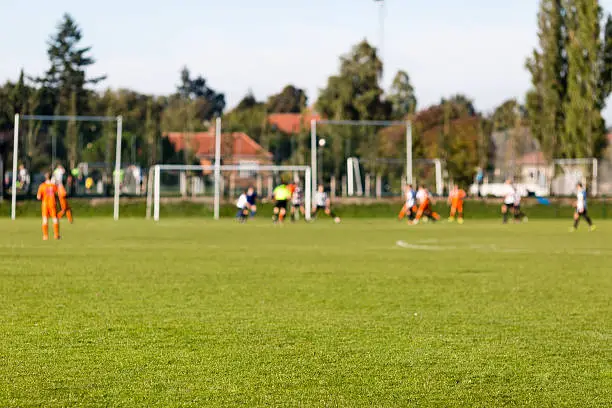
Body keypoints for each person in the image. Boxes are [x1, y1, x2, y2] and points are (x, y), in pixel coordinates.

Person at [37, 172, 60, 240]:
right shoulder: (54, 185)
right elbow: (57, 194)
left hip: (45, 204)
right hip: (52, 203)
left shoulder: (42, 186)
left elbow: (38, 197)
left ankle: (45, 236)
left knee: (45, 219)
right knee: (55, 219)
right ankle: (56, 235)